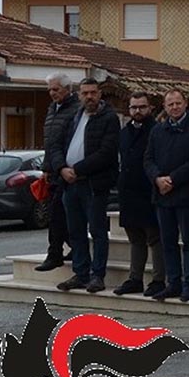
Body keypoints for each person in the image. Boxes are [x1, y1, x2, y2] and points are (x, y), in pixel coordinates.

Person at [51, 77, 120, 293]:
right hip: (69, 184)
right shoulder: (73, 116)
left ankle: (97, 275)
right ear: (79, 95)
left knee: (97, 231)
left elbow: (106, 153)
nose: (88, 97)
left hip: (92, 184)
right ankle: (81, 273)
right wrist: (62, 168)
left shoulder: (109, 118)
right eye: (84, 93)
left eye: (92, 92)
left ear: (99, 94)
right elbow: (55, 145)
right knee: (75, 231)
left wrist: (77, 170)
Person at [144, 89, 189, 302]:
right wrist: (157, 179)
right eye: (170, 104)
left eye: (178, 103)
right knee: (167, 241)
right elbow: (148, 159)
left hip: (186, 194)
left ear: (185, 104)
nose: (174, 107)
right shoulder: (157, 131)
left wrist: (172, 179)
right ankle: (174, 283)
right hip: (162, 195)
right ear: (164, 106)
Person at [113, 92, 165, 298]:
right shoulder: (125, 132)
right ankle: (135, 279)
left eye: (142, 107)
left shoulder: (157, 131)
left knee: (154, 237)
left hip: (149, 191)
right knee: (135, 239)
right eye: (134, 107)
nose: (137, 111)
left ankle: (159, 280)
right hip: (128, 193)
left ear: (150, 108)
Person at [36, 73, 78, 272]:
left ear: (67, 89)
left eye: (56, 89)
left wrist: (62, 167)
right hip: (53, 169)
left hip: (68, 170)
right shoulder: (52, 109)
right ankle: (74, 247)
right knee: (57, 213)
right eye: (50, 90)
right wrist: (46, 168)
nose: (52, 93)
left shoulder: (76, 110)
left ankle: (55, 253)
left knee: (58, 214)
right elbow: (49, 142)